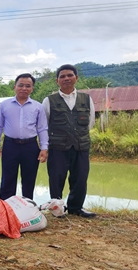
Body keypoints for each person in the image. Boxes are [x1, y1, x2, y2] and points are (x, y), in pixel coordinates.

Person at [42, 64, 96, 218]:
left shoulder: (86, 99)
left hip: (81, 145)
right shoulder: (49, 100)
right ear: (57, 81)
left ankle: (75, 208)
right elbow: (44, 125)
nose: (66, 79)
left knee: (80, 178)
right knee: (56, 177)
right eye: (62, 76)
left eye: (69, 75)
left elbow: (90, 122)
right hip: (57, 146)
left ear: (76, 78)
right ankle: (57, 209)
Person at [0, 73, 48, 200]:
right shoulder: (4, 105)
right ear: (14, 87)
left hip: (31, 146)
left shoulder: (37, 106)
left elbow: (42, 128)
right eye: (21, 85)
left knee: (29, 179)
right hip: (10, 145)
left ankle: (27, 209)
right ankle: (6, 209)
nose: (24, 88)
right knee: (7, 179)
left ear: (32, 88)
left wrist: (44, 148)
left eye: (28, 86)